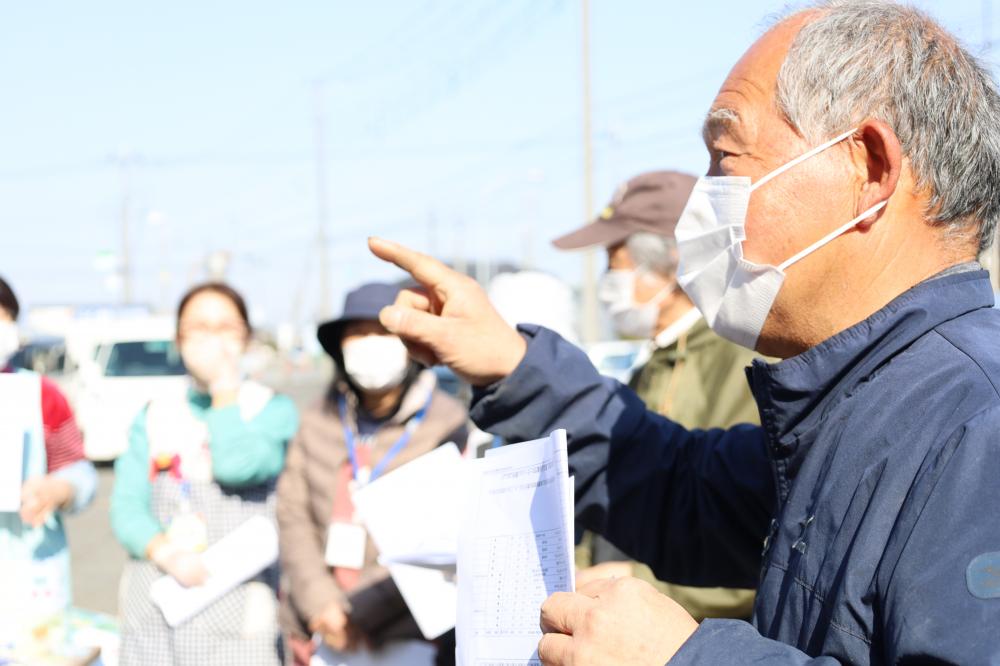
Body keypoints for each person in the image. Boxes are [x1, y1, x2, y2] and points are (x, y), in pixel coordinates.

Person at [366, 0, 1000, 661]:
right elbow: (679, 488)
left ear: (868, 168)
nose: (703, 201)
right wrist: (512, 366)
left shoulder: (977, 431)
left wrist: (681, 656)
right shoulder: (864, 407)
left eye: (725, 158)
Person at [553, 170, 759, 620]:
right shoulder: (652, 364)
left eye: (615, 259)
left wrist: (644, 583)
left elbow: (758, 534)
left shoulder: (743, 361)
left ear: (668, 262)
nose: (608, 278)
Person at [277, 282, 469, 666]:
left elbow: (448, 540)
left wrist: (356, 611)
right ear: (340, 347)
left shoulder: (449, 425)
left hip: (410, 634)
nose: (370, 342)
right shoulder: (315, 420)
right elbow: (292, 516)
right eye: (358, 333)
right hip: (319, 628)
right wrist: (322, 603)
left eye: (382, 332)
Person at [111, 282, 299, 665]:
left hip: (237, 613)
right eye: (198, 328)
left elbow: (239, 467)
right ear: (178, 340)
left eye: (225, 328)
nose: (211, 340)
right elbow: (126, 505)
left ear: (246, 338)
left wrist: (224, 392)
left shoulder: (272, 409)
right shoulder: (155, 412)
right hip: (157, 604)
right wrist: (164, 552)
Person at [0, 275, 96, 638]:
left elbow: (80, 471)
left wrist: (59, 490)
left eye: (3, 317)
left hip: (31, 576)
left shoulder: (40, 393)